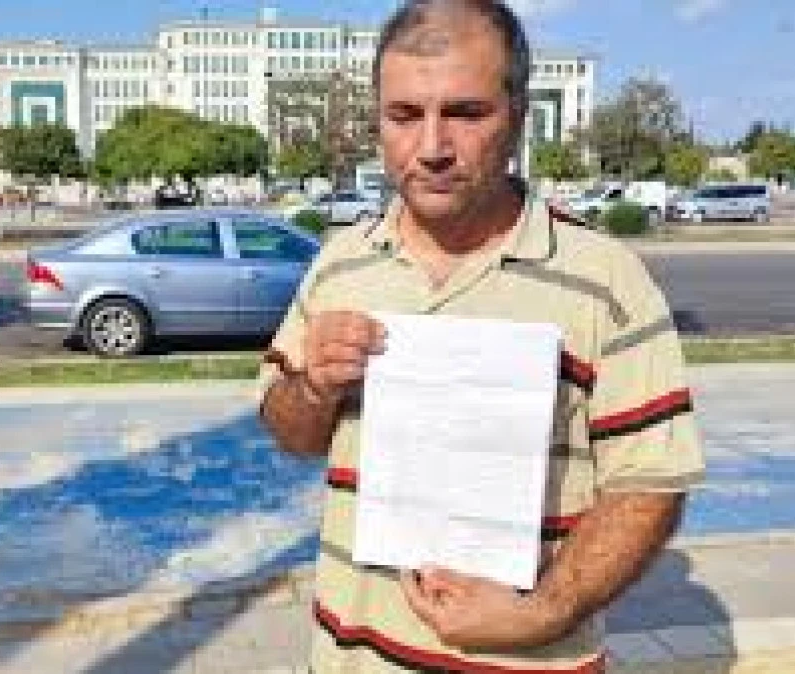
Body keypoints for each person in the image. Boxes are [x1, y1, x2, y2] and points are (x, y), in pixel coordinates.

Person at [257, 1, 705, 671]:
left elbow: (651, 481)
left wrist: (545, 611)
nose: (432, 148)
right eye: (404, 115)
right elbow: (290, 432)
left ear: (517, 116)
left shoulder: (605, 279)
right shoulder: (339, 264)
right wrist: (313, 387)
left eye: (466, 113)